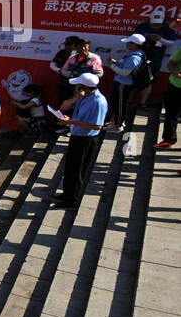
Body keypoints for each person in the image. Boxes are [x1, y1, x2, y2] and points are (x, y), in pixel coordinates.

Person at [49, 73, 108, 208]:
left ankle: (72, 200)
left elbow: (97, 125)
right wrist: (75, 98)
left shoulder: (98, 102)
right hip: (77, 135)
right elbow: (64, 107)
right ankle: (67, 193)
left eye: (78, 85)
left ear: (85, 87)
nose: (76, 87)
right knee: (70, 167)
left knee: (78, 169)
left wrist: (71, 122)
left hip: (86, 139)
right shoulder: (83, 97)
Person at [108, 33, 149, 128]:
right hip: (121, 83)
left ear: (134, 44)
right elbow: (126, 67)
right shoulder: (133, 55)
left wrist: (111, 65)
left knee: (120, 104)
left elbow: (125, 73)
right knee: (116, 102)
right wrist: (116, 63)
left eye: (128, 42)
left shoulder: (134, 57)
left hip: (124, 84)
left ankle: (118, 124)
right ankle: (116, 122)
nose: (126, 44)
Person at [156, 34, 181, 148]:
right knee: (171, 115)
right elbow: (170, 64)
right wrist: (175, 72)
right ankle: (169, 140)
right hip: (175, 86)